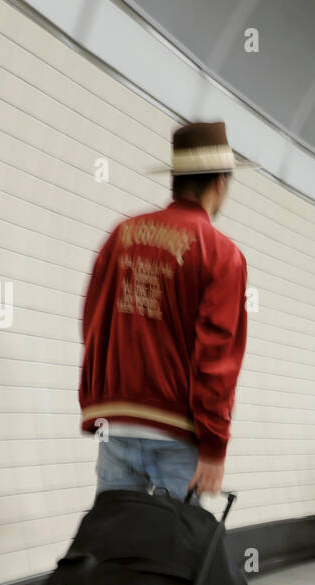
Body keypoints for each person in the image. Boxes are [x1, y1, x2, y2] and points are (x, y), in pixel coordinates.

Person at [79, 121, 252, 500]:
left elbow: (92, 323)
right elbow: (216, 360)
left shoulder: (121, 235)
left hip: (117, 421)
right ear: (220, 183)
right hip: (178, 431)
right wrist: (213, 446)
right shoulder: (221, 254)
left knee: (116, 542)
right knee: (178, 549)